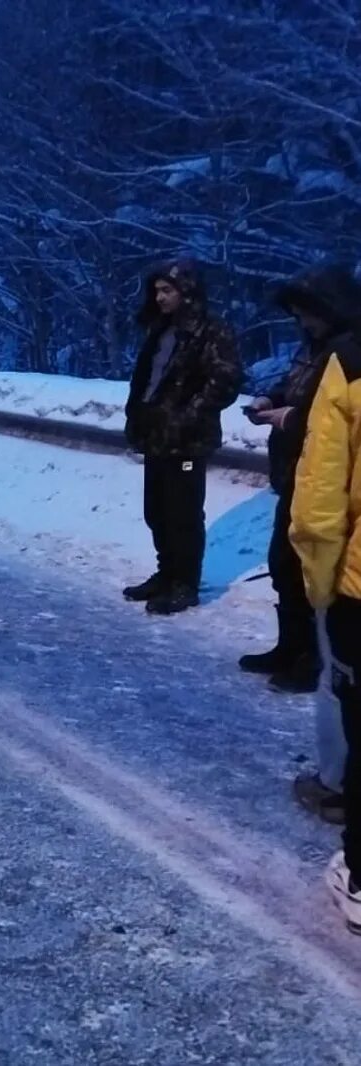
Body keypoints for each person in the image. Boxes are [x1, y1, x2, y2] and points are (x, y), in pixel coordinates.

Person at [243, 267, 361, 697]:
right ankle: (290, 647)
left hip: (321, 477)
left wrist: (289, 417)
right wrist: (270, 400)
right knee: (283, 563)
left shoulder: (347, 355)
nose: (302, 322)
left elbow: (327, 420)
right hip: (294, 471)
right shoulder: (313, 349)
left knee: (307, 567)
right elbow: (295, 389)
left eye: (306, 313)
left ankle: (315, 658)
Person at [287, 267, 361, 931]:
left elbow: (318, 508)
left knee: (350, 705)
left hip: (358, 584)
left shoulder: (348, 364)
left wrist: (320, 586)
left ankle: (359, 876)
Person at [121, 260, 242, 615]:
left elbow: (227, 380)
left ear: (187, 293)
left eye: (166, 290)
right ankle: (166, 573)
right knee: (156, 510)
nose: (159, 298)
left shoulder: (212, 331)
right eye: (156, 291)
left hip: (188, 440)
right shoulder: (160, 331)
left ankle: (184, 583)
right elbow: (148, 380)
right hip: (157, 435)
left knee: (183, 513)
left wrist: (188, 415)